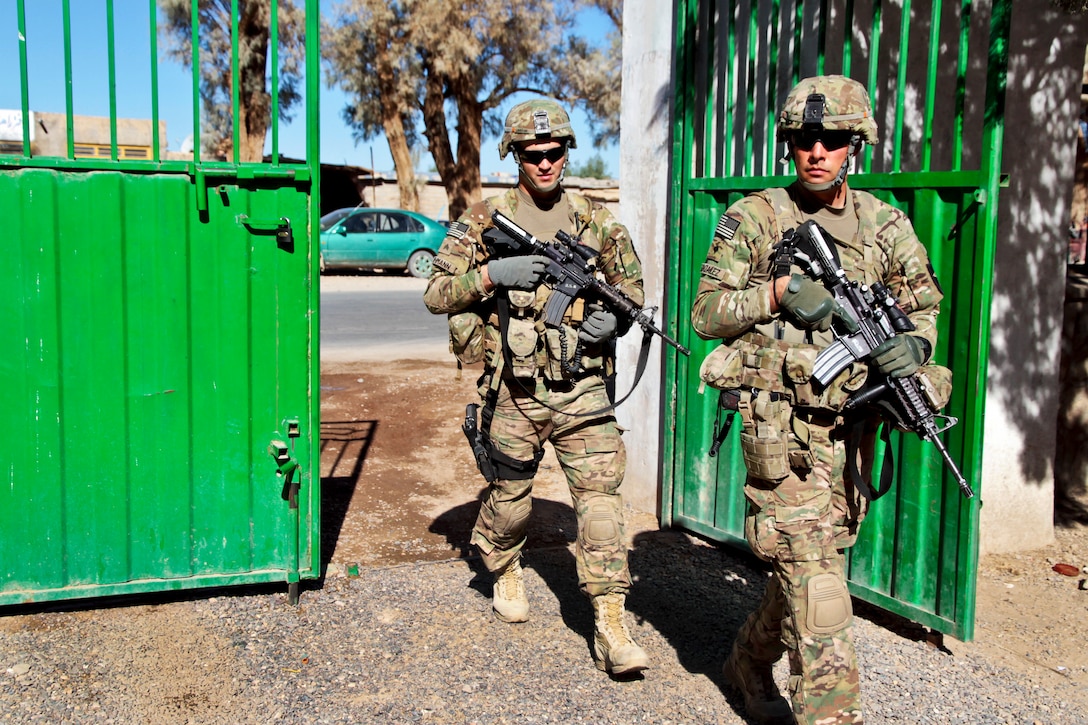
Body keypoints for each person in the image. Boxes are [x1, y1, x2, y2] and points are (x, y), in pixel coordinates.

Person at [691, 76, 945, 724]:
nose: (817, 150)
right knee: (824, 598)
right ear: (789, 144)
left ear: (853, 145)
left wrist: (909, 351)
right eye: (805, 138)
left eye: (833, 138)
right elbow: (706, 312)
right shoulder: (756, 216)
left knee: (805, 577)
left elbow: (924, 312)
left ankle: (748, 661)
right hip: (783, 442)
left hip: (850, 440)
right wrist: (774, 295)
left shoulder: (887, 225)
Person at [423, 97, 649, 676]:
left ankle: (611, 622)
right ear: (515, 155)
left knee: (600, 504)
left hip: (583, 388)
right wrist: (492, 274)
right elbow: (434, 293)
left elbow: (632, 291)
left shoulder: (599, 223)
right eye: (533, 154)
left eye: (555, 153)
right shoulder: (484, 219)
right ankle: (504, 566)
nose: (546, 164)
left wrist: (616, 319)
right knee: (510, 498)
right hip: (514, 392)